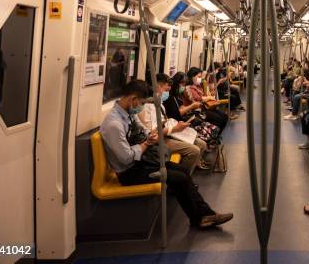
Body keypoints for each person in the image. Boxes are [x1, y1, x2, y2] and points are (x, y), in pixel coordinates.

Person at [99, 79, 233, 228]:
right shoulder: (114, 125)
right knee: (179, 178)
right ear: (133, 99)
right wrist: (147, 143)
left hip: (143, 162)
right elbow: (126, 158)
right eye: (141, 103)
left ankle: (205, 215)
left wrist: (150, 136)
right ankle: (201, 217)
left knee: (182, 171)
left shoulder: (128, 114)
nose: (141, 107)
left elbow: (143, 131)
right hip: (130, 172)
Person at [138, 73, 209, 173]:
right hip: (161, 138)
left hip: (168, 132)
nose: (167, 92)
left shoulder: (159, 103)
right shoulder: (148, 106)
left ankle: (187, 175)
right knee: (194, 151)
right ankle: (183, 176)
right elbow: (154, 132)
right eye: (166, 90)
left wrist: (176, 125)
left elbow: (164, 121)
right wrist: (175, 128)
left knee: (201, 144)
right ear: (158, 87)